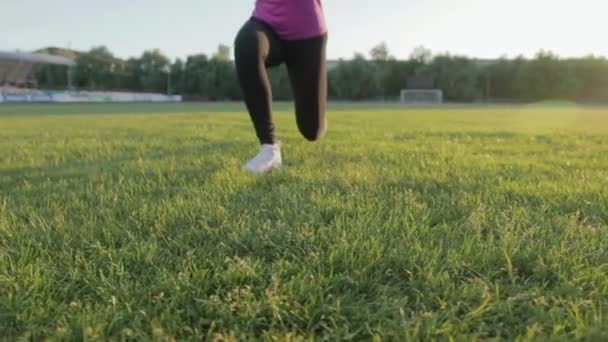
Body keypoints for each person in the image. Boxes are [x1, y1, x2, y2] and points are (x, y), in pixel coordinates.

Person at [234, 0, 328, 173]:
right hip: (266, 24)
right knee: (247, 43)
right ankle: (269, 148)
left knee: (312, 130)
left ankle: (319, 114)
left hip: (307, 34)